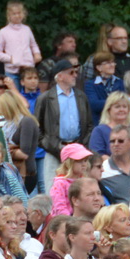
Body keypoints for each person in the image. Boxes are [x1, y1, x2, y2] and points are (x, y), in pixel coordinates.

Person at [33, 57, 93, 193]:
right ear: (59, 76)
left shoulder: (81, 96)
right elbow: (38, 128)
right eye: (71, 73)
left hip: (78, 149)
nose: (75, 76)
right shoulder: (45, 98)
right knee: (52, 190)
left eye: (75, 72)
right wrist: (52, 146)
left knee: (80, 190)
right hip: (54, 151)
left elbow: (89, 124)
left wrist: (81, 145)